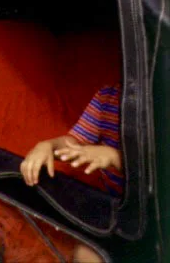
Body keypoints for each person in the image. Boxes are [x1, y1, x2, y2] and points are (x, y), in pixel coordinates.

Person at [20, 83, 122, 263]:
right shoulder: (107, 97)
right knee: (84, 252)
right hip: (115, 209)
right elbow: (75, 143)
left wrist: (116, 158)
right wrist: (48, 146)